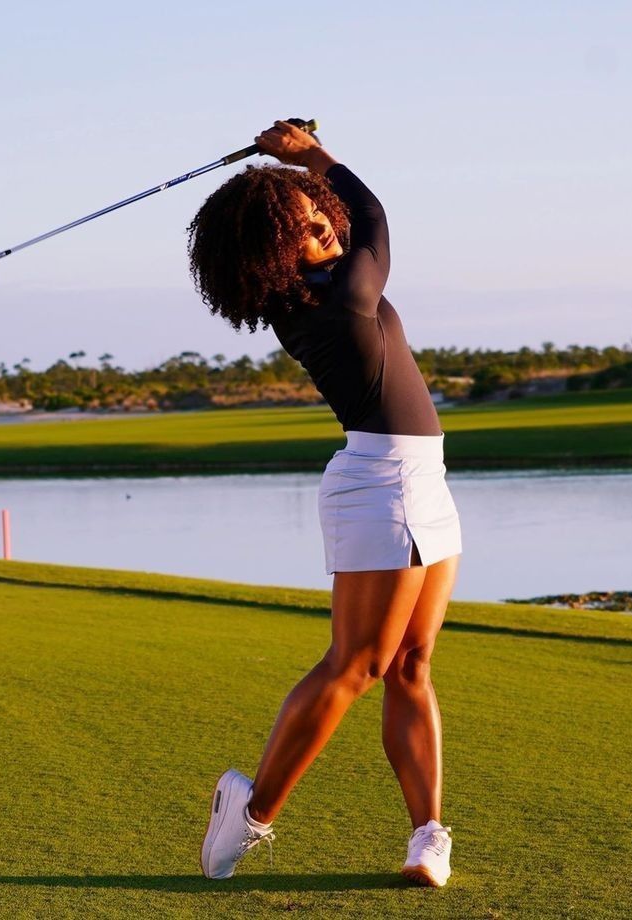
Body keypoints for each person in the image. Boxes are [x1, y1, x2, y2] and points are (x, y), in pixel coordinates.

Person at [187, 119, 462, 888]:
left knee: (411, 662)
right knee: (358, 664)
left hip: (420, 482)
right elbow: (372, 216)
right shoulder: (337, 297)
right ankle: (251, 811)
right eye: (304, 229)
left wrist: (303, 169)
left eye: (318, 218)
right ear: (272, 253)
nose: (325, 231)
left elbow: (353, 222)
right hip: (384, 485)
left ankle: (426, 835)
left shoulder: (313, 293)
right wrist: (311, 155)